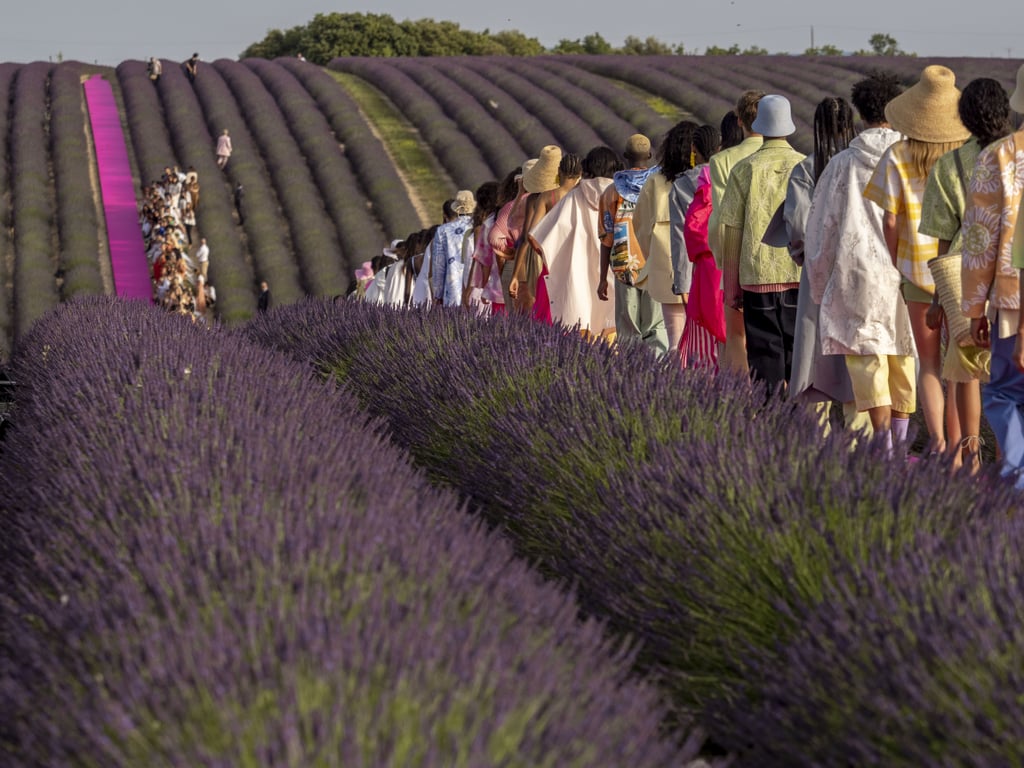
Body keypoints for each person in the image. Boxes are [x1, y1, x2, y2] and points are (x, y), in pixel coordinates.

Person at [864, 64, 971, 457]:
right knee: (960, 369)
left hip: (915, 272)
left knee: (927, 365)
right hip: (961, 271)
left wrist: (895, 262)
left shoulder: (896, 154)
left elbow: (889, 219)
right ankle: (961, 449)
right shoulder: (965, 157)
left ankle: (939, 443)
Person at [804, 70, 914, 456]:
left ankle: (882, 448)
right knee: (903, 356)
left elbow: (821, 229)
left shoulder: (842, 165)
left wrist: (820, 288)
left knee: (869, 364)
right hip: (907, 271)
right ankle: (901, 446)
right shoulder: (912, 157)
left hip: (857, 275)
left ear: (861, 112)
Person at [920, 77, 1012, 470]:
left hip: (965, 273)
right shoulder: (1017, 156)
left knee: (966, 371)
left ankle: (971, 458)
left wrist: (937, 301)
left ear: (964, 118)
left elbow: (941, 239)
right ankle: (1011, 459)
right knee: (1011, 373)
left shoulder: (949, 164)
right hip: (1012, 272)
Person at [784, 96, 867, 435]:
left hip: (818, 273)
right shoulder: (865, 164)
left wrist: (802, 255)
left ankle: (816, 441)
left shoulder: (807, 167)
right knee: (857, 356)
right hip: (860, 271)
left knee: (813, 356)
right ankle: (861, 440)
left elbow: (798, 225)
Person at [962, 62, 1024, 488]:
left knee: (1003, 389)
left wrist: (973, 308)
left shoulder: (998, 156)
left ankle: (1017, 475)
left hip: (1011, 299)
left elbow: (979, 240)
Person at [720, 95, 806, 396]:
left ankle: (771, 422)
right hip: (798, 277)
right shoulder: (805, 166)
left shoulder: (744, 169)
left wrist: (731, 287)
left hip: (757, 279)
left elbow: (732, 231)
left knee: (764, 358)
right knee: (799, 357)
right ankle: (801, 425)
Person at [531, 145, 622, 338]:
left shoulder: (574, 196)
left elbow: (540, 240)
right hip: (613, 272)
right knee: (613, 326)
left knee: (581, 325)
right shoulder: (620, 195)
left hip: (577, 273)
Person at [708, 90, 765, 373]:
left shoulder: (722, 161)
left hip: (740, 262)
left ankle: (744, 406)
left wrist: (723, 264)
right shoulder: (795, 159)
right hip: (784, 265)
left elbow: (723, 219)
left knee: (737, 338)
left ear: (739, 121)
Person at [597, 134, 667, 354]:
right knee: (656, 327)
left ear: (625, 157)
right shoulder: (660, 186)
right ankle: (658, 375)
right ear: (649, 155)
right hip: (655, 263)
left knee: (628, 329)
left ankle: (632, 373)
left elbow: (606, 238)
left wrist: (602, 278)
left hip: (624, 266)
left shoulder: (611, 192)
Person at [634, 120, 699, 353]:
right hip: (701, 264)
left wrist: (651, 254)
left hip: (664, 263)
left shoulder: (654, 182)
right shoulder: (704, 179)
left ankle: (677, 383)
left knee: (674, 339)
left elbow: (639, 224)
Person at [678, 124, 725, 370]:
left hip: (705, 268)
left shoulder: (685, 184)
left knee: (705, 332)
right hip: (731, 264)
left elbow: (685, 233)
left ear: (694, 150)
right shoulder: (731, 172)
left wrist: (681, 282)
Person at [431, 190, 476, 307]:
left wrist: (437, 294)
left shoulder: (443, 231)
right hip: (476, 288)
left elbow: (438, 265)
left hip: (452, 290)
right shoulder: (480, 227)